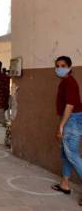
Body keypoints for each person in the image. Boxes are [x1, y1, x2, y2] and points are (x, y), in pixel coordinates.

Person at [51, 56, 82, 206]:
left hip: (72, 121)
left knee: (73, 155)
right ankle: (64, 184)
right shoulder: (65, 82)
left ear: (69, 67)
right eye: (57, 66)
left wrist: (61, 126)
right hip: (71, 120)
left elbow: (70, 105)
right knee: (66, 154)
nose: (59, 68)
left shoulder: (69, 82)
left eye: (63, 65)